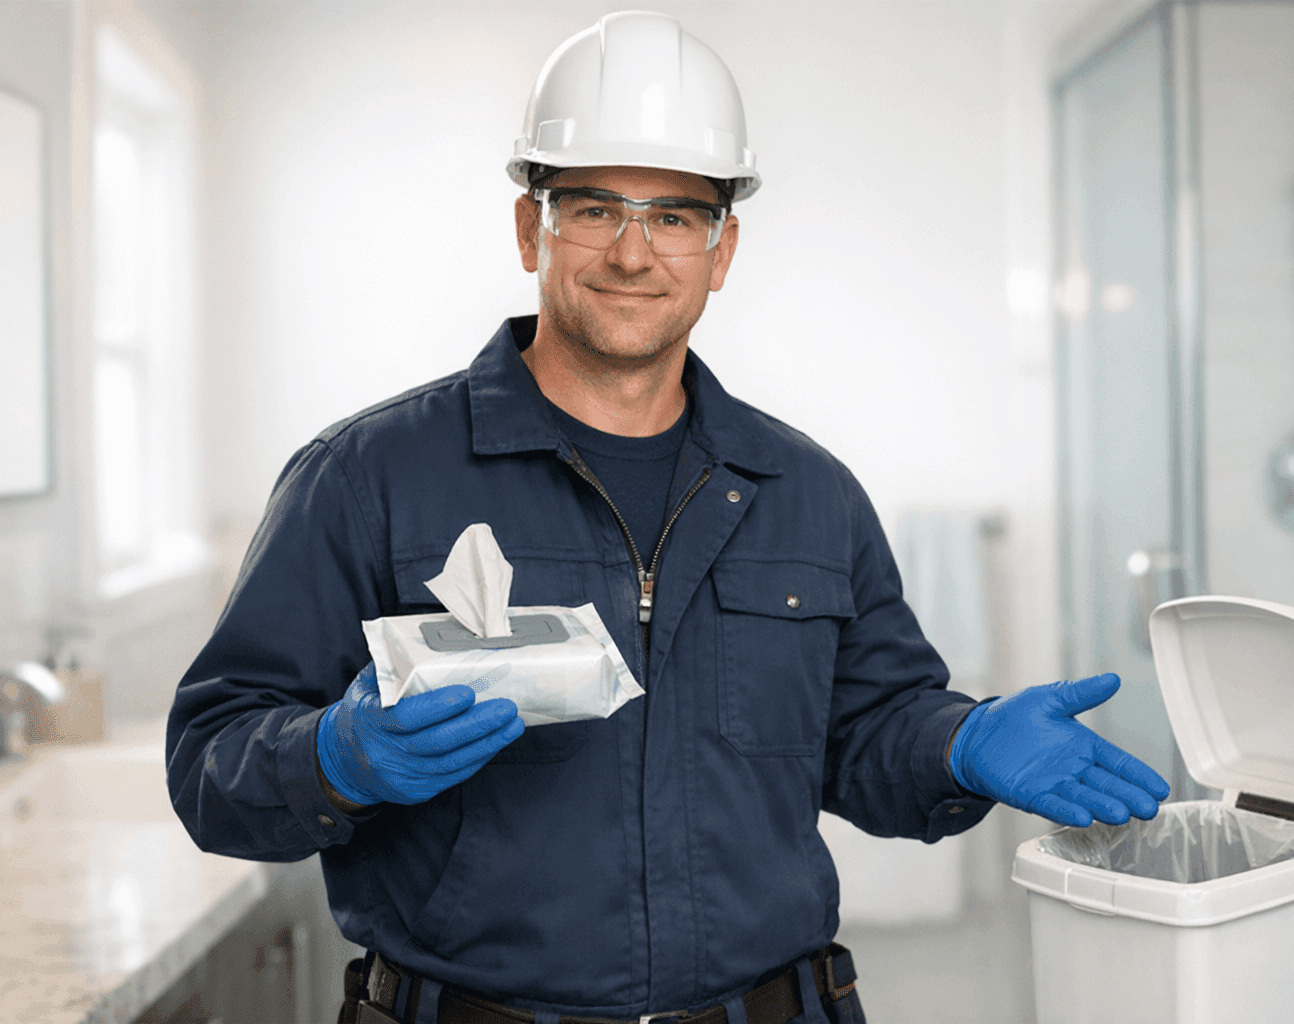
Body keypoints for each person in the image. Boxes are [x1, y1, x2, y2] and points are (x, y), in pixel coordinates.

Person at [164, 12, 1170, 1024]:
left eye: (676, 216)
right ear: (530, 229)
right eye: (594, 208)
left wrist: (958, 739)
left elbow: (866, 734)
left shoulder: (806, 492)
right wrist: (333, 757)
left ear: (721, 249)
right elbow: (210, 761)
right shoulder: (368, 477)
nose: (633, 253)